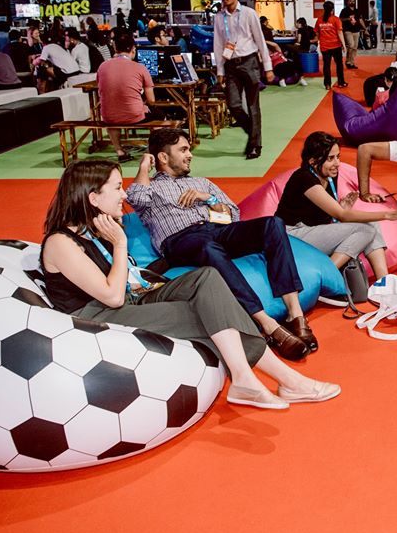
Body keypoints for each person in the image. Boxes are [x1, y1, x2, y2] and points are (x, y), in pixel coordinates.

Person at [41, 159, 340, 411]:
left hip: (133, 296)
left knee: (207, 278)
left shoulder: (96, 230)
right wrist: (120, 244)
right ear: (93, 198)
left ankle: (249, 379)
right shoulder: (60, 243)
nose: (124, 195)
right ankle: (281, 380)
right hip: (98, 314)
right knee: (203, 313)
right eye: (118, 188)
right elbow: (112, 297)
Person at [127, 128, 316, 360]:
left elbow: (233, 215)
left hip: (216, 231)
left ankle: (295, 314)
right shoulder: (151, 188)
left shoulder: (202, 183)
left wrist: (209, 198)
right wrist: (144, 166)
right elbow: (136, 198)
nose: (190, 155)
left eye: (189, 150)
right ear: (163, 157)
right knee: (207, 246)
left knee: (273, 224)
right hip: (180, 241)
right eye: (183, 150)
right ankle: (267, 324)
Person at [276, 131, 397, 280]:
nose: (337, 163)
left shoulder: (329, 175)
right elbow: (341, 216)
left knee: (371, 224)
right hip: (291, 236)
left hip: (310, 231)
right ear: (312, 161)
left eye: (338, 156)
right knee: (366, 230)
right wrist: (389, 215)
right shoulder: (303, 178)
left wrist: (342, 207)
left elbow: (324, 215)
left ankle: (384, 281)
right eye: (330, 158)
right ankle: (325, 274)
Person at [212, 0, 275, 161]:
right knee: (233, 105)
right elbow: (218, 44)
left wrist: (268, 67)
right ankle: (254, 134)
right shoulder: (219, 17)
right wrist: (220, 70)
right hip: (230, 64)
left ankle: (255, 145)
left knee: (253, 105)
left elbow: (260, 40)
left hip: (250, 61)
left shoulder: (249, 13)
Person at [96, 31, 158, 162]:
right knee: (159, 116)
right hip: (134, 116)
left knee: (112, 117)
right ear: (133, 49)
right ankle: (150, 150)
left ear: (115, 48)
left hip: (108, 116)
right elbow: (152, 100)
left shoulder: (102, 67)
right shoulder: (140, 68)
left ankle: (119, 151)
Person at [315, 0, 346, 89]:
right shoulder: (336, 19)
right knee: (339, 65)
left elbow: (317, 33)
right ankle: (341, 83)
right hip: (336, 46)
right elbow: (340, 33)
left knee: (326, 65)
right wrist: (344, 45)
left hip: (324, 47)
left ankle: (327, 84)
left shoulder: (319, 20)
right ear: (332, 9)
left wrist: (318, 41)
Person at [339, 0, 363, 69]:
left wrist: (365, 29)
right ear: (348, 2)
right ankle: (347, 61)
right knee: (351, 45)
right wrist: (348, 19)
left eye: (353, 1)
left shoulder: (357, 10)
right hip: (348, 30)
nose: (352, 2)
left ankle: (351, 63)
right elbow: (340, 19)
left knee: (355, 47)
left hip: (356, 30)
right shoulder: (344, 10)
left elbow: (360, 20)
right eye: (350, 1)